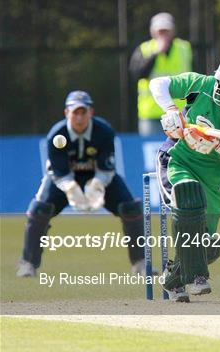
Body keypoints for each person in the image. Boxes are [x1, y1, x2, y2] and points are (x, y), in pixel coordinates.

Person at [149, 55, 220, 302]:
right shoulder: (201, 85)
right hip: (179, 160)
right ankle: (197, 277)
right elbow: (157, 84)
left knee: (206, 245)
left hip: (215, 179)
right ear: (218, 81)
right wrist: (171, 110)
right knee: (189, 201)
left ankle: (173, 279)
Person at [16, 91, 146, 277]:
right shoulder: (56, 135)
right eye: (74, 112)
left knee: (131, 208)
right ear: (66, 113)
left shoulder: (104, 132)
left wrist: (97, 186)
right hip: (64, 180)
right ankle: (28, 263)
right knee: (38, 209)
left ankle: (140, 263)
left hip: (99, 177)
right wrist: (71, 188)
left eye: (83, 112)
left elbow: (107, 168)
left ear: (90, 112)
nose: (79, 117)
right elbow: (57, 173)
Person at [129, 12, 192, 136]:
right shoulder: (144, 49)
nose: (163, 34)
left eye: (166, 31)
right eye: (160, 31)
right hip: (151, 114)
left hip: (178, 113)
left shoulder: (185, 48)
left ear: (173, 31)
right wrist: (156, 53)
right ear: (153, 32)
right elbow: (137, 74)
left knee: (177, 152)